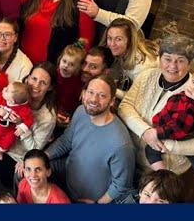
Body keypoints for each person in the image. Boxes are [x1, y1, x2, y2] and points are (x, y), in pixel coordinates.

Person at [118, 35, 194, 180]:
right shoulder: (147, 75)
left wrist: (170, 145)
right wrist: (145, 131)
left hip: (162, 170)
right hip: (129, 156)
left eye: (180, 61)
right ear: (159, 59)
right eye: (167, 59)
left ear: (189, 64)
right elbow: (125, 105)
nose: (172, 66)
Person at [0, 62, 57, 202]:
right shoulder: (16, 91)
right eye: (34, 79)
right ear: (27, 78)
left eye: (43, 82)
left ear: (50, 87)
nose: (36, 85)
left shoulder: (47, 117)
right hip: (0, 141)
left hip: (16, 156)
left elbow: (34, 149)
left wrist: (21, 126)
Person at [46, 74, 135, 203]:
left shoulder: (121, 144)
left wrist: (98, 204)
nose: (94, 99)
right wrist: (42, 157)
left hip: (89, 200)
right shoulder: (81, 111)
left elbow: (121, 185)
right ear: (84, 93)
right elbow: (66, 140)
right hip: (68, 175)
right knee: (24, 173)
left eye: (102, 95)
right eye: (91, 92)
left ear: (112, 101)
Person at [99, 17, 158, 99]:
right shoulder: (124, 52)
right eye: (109, 38)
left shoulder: (141, 67)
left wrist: (109, 88)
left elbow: (139, 99)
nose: (112, 44)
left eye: (118, 39)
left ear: (130, 41)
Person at [0, 81, 33, 161]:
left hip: (9, 130)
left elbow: (29, 119)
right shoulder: (2, 97)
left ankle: (0, 150)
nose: (4, 88)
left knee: (11, 137)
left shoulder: (24, 108)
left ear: (12, 101)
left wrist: (22, 128)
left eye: (6, 90)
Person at [54, 43, 85, 126]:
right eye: (64, 61)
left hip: (70, 113)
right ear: (60, 59)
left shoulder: (78, 80)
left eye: (71, 64)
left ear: (77, 68)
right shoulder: (53, 74)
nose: (66, 66)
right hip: (53, 109)